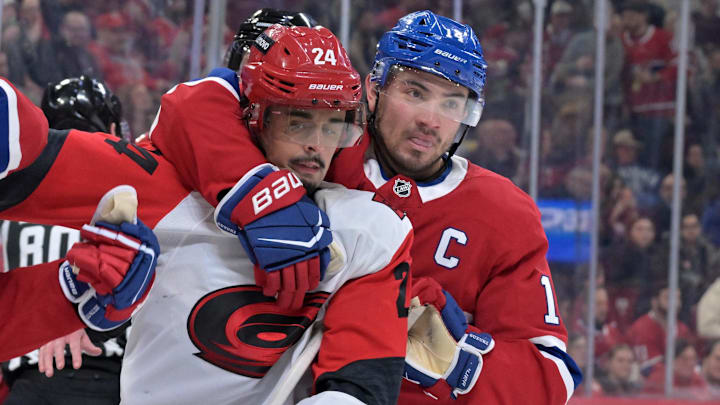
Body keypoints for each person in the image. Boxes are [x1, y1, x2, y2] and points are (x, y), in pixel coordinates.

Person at [147, 10, 582, 404]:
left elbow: (552, 376)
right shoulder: (319, 151)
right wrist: (262, 198)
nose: (431, 119)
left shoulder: (503, 212)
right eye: (415, 91)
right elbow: (197, 104)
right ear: (374, 88)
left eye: (452, 103)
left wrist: (454, 363)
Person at [0, 25, 414, 405]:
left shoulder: (371, 228)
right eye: (298, 122)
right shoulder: (164, 187)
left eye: (332, 127)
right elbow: (32, 159)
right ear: (254, 116)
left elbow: (358, 387)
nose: (316, 146)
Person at [1, 75, 129, 404]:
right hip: (115, 376)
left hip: (28, 377)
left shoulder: (10, 199)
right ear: (114, 132)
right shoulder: (134, 195)